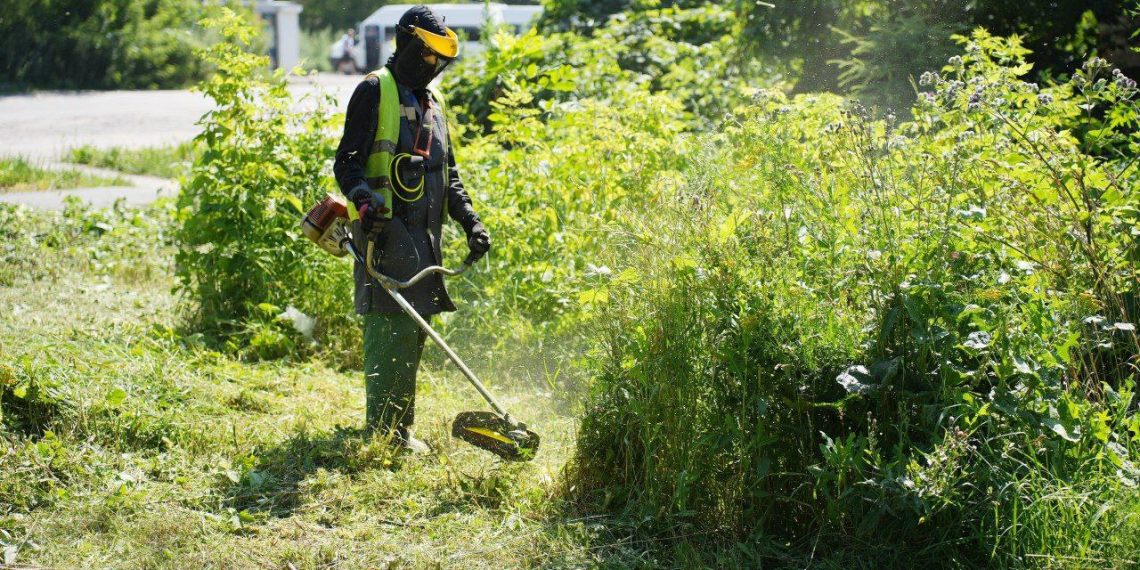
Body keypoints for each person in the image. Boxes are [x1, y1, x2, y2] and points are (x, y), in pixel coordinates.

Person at [333, 5, 491, 452]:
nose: (434, 68)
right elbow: (347, 162)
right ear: (404, 44)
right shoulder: (373, 91)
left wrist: (471, 223)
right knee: (390, 330)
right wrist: (363, 198)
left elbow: (450, 176)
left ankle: (398, 429)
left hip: (426, 239)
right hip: (385, 234)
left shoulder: (432, 105)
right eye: (427, 57)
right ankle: (385, 433)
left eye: (441, 62)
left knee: (415, 332)